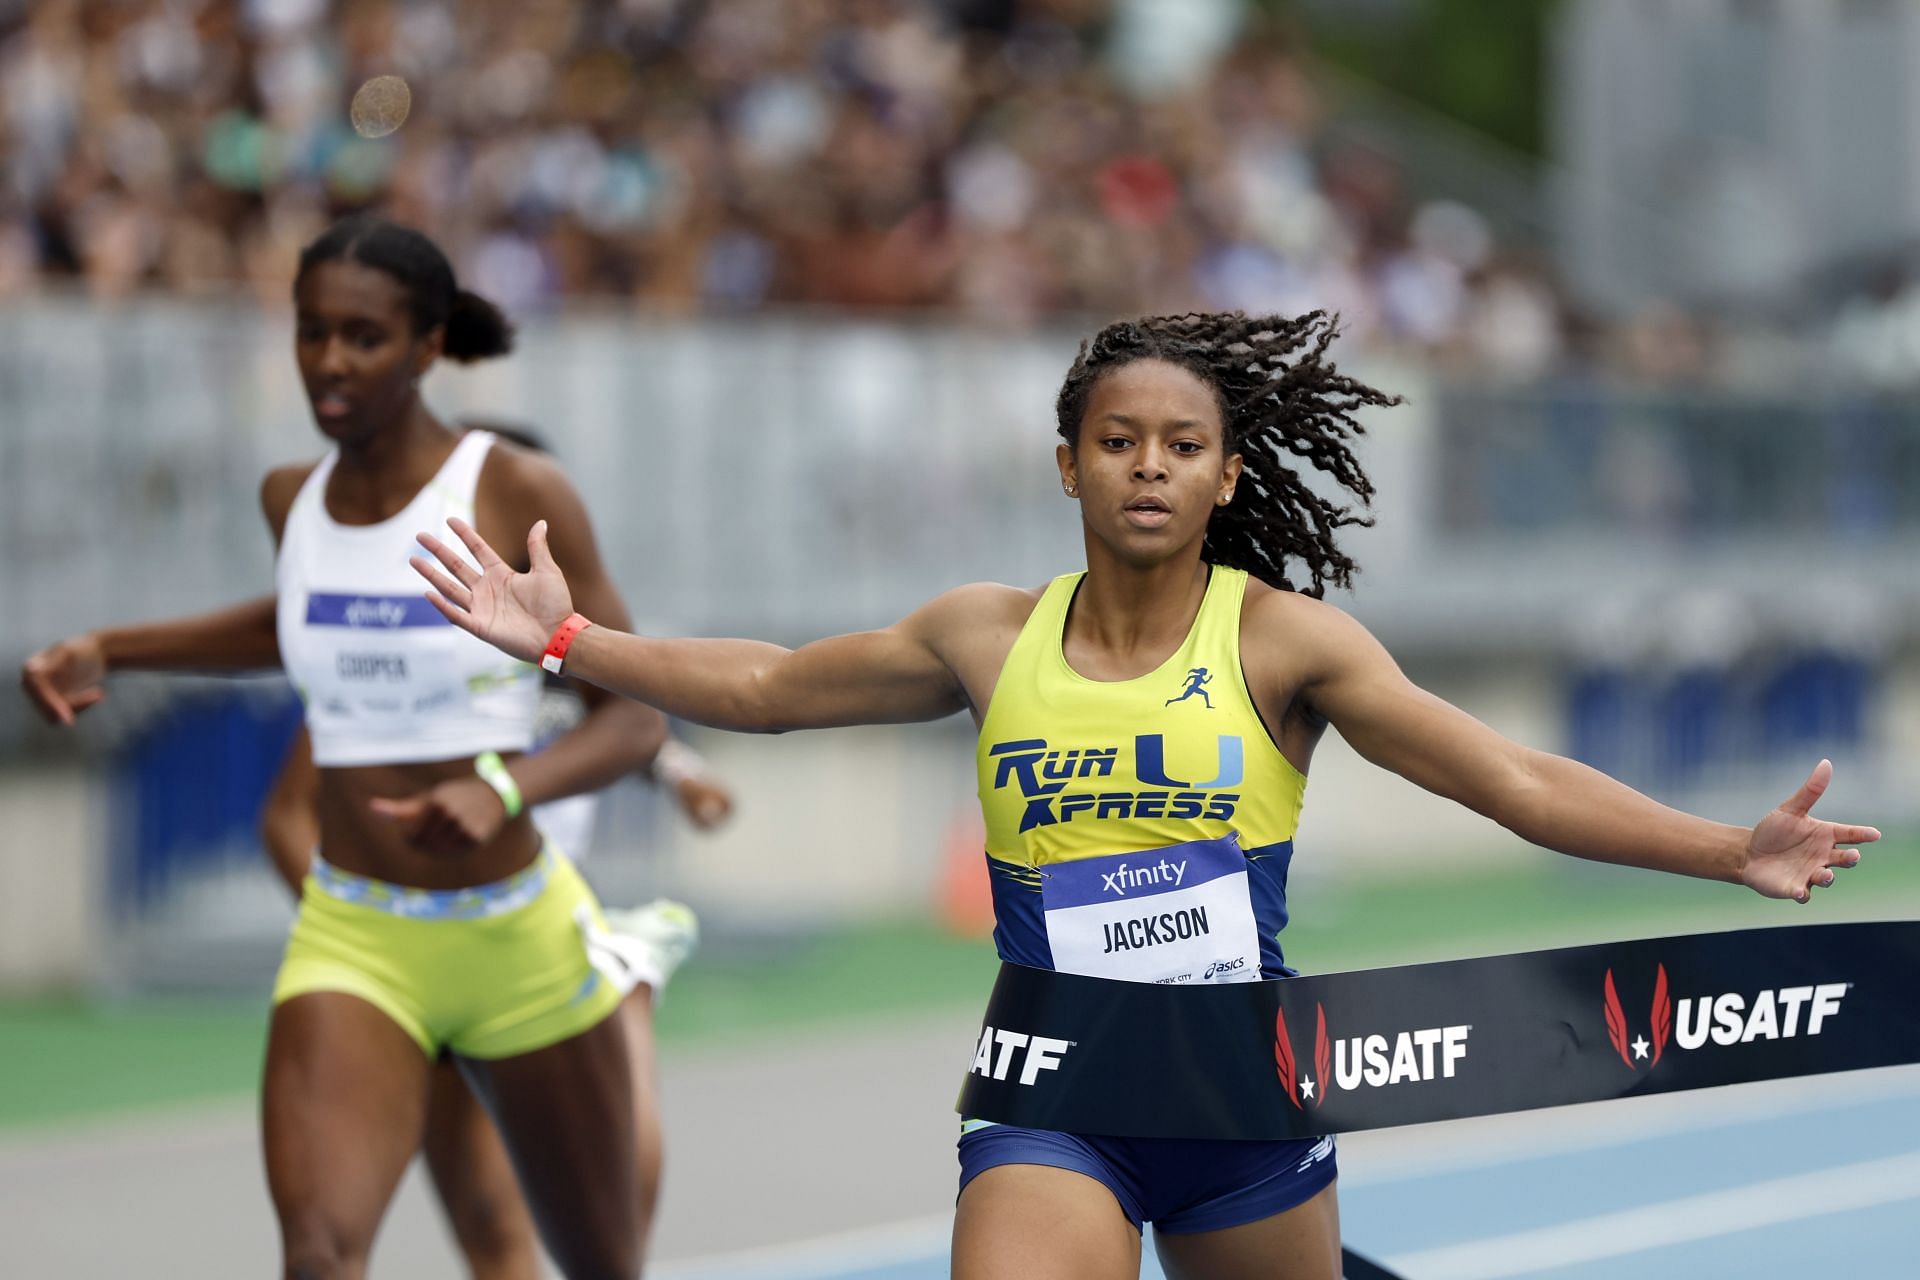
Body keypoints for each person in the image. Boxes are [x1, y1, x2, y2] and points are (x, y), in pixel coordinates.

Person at [408, 309, 1878, 1280]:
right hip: (1057, 1085)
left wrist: (1719, 847)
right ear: (1070, 464)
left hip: (1244, 1093)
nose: (1150, 469)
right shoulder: (985, 637)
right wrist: (565, 638)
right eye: (1120, 443)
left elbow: (1508, 779)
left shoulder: (1286, 643)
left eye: (1182, 447)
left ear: (1229, 474)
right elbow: (769, 688)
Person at [19, 215, 688, 1280]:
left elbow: (634, 712)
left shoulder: (511, 487)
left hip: (514, 934)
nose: (330, 360)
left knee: (601, 1261)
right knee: (321, 1253)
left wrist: (503, 789)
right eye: (312, 332)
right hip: (356, 934)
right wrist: (115, 646)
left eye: (364, 337)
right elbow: (298, 615)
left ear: (426, 347)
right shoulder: (293, 498)